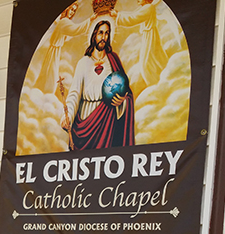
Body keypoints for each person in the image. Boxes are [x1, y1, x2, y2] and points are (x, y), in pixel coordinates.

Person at [61, 19, 135, 150]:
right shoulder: (83, 63)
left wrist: (122, 101)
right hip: (86, 121)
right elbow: (75, 93)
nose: (104, 37)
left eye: (107, 33)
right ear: (93, 35)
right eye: (100, 33)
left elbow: (126, 91)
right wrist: (68, 117)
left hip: (108, 121)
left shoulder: (113, 60)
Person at [34, 3, 96, 95]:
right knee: (51, 71)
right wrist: (89, 20)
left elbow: (69, 34)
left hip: (55, 51)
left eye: (74, 11)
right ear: (66, 9)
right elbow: (75, 29)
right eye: (71, 9)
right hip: (54, 51)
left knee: (49, 70)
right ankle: (47, 91)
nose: (72, 12)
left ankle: (42, 89)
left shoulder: (63, 22)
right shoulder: (64, 22)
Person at [111, 0, 168, 87]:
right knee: (153, 60)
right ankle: (159, 81)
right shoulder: (145, 8)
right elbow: (133, 14)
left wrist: (118, 15)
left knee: (147, 62)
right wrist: (118, 14)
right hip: (148, 35)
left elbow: (134, 18)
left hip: (150, 36)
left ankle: (156, 83)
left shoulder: (148, 7)